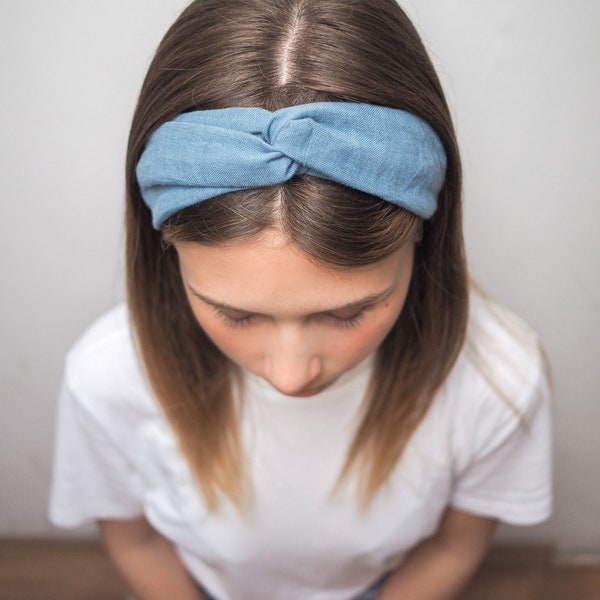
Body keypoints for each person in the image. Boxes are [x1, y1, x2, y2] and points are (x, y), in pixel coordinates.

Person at [48, 1, 552, 599]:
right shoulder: (106, 377)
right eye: (234, 313)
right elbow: (136, 542)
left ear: (425, 236)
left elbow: (452, 546)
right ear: (164, 248)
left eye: (348, 312)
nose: (290, 376)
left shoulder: (499, 379)